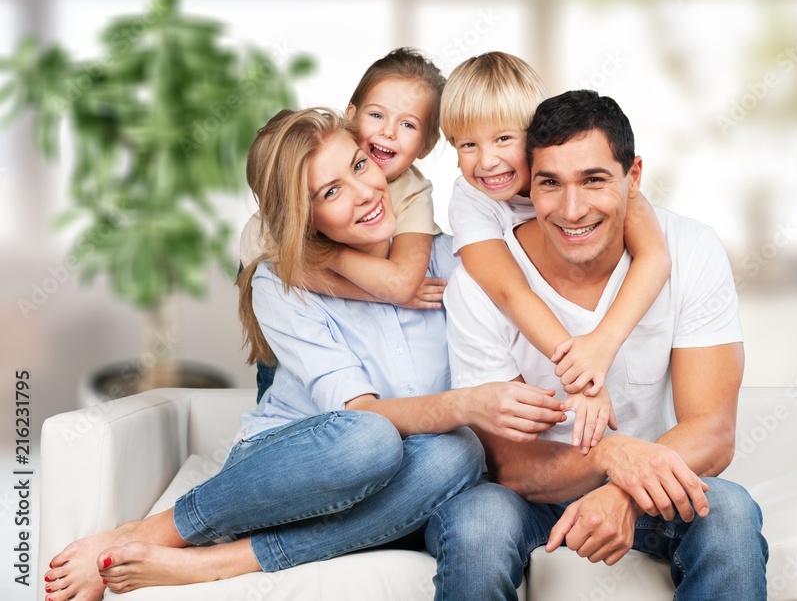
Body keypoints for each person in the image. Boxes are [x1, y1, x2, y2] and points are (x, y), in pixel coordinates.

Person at [42, 108, 568, 601]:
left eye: (361, 165)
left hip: (420, 480)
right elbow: (360, 417)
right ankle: (153, 534)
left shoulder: (458, 259)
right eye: (332, 191)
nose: (366, 192)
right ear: (305, 216)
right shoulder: (282, 283)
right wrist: (466, 405)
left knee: (462, 458)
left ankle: (224, 561)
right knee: (371, 439)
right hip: (295, 472)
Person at [426, 90, 769, 600]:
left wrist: (624, 493)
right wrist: (610, 456)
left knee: (730, 511)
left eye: (594, 180)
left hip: (649, 485)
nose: (572, 209)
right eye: (550, 183)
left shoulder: (689, 249)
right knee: (477, 521)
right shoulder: (480, 280)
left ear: (632, 177)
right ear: (527, 182)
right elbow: (510, 466)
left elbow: (713, 433)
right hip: (528, 496)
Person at [441, 52, 672, 453]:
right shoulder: (471, 200)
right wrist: (582, 376)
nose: (487, 160)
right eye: (467, 144)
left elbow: (655, 258)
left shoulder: (591, 173)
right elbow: (510, 291)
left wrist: (601, 345)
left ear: (534, 137)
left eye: (503, 139)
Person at [242, 48, 448, 403]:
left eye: (408, 124)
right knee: (280, 377)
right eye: (377, 115)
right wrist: (349, 269)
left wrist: (333, 259)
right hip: (283, 293)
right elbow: (285, 272)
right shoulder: (292, 193)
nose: (388, 132)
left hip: (323, 275)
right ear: (351, 117)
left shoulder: (412, 192)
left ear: (426, 146)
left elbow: (400, 283)